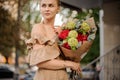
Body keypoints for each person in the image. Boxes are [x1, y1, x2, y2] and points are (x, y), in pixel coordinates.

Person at [25, 0, 81, 80]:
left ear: (58, 9)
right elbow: (40, 63)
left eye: (51, 5)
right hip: (46, 77)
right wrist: (69, 64)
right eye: (44, 5)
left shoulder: (61, 30)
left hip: (63, 76)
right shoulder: (38, 28)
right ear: (40, 8)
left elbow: (69, 54)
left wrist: (64, 36)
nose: (47, 9)